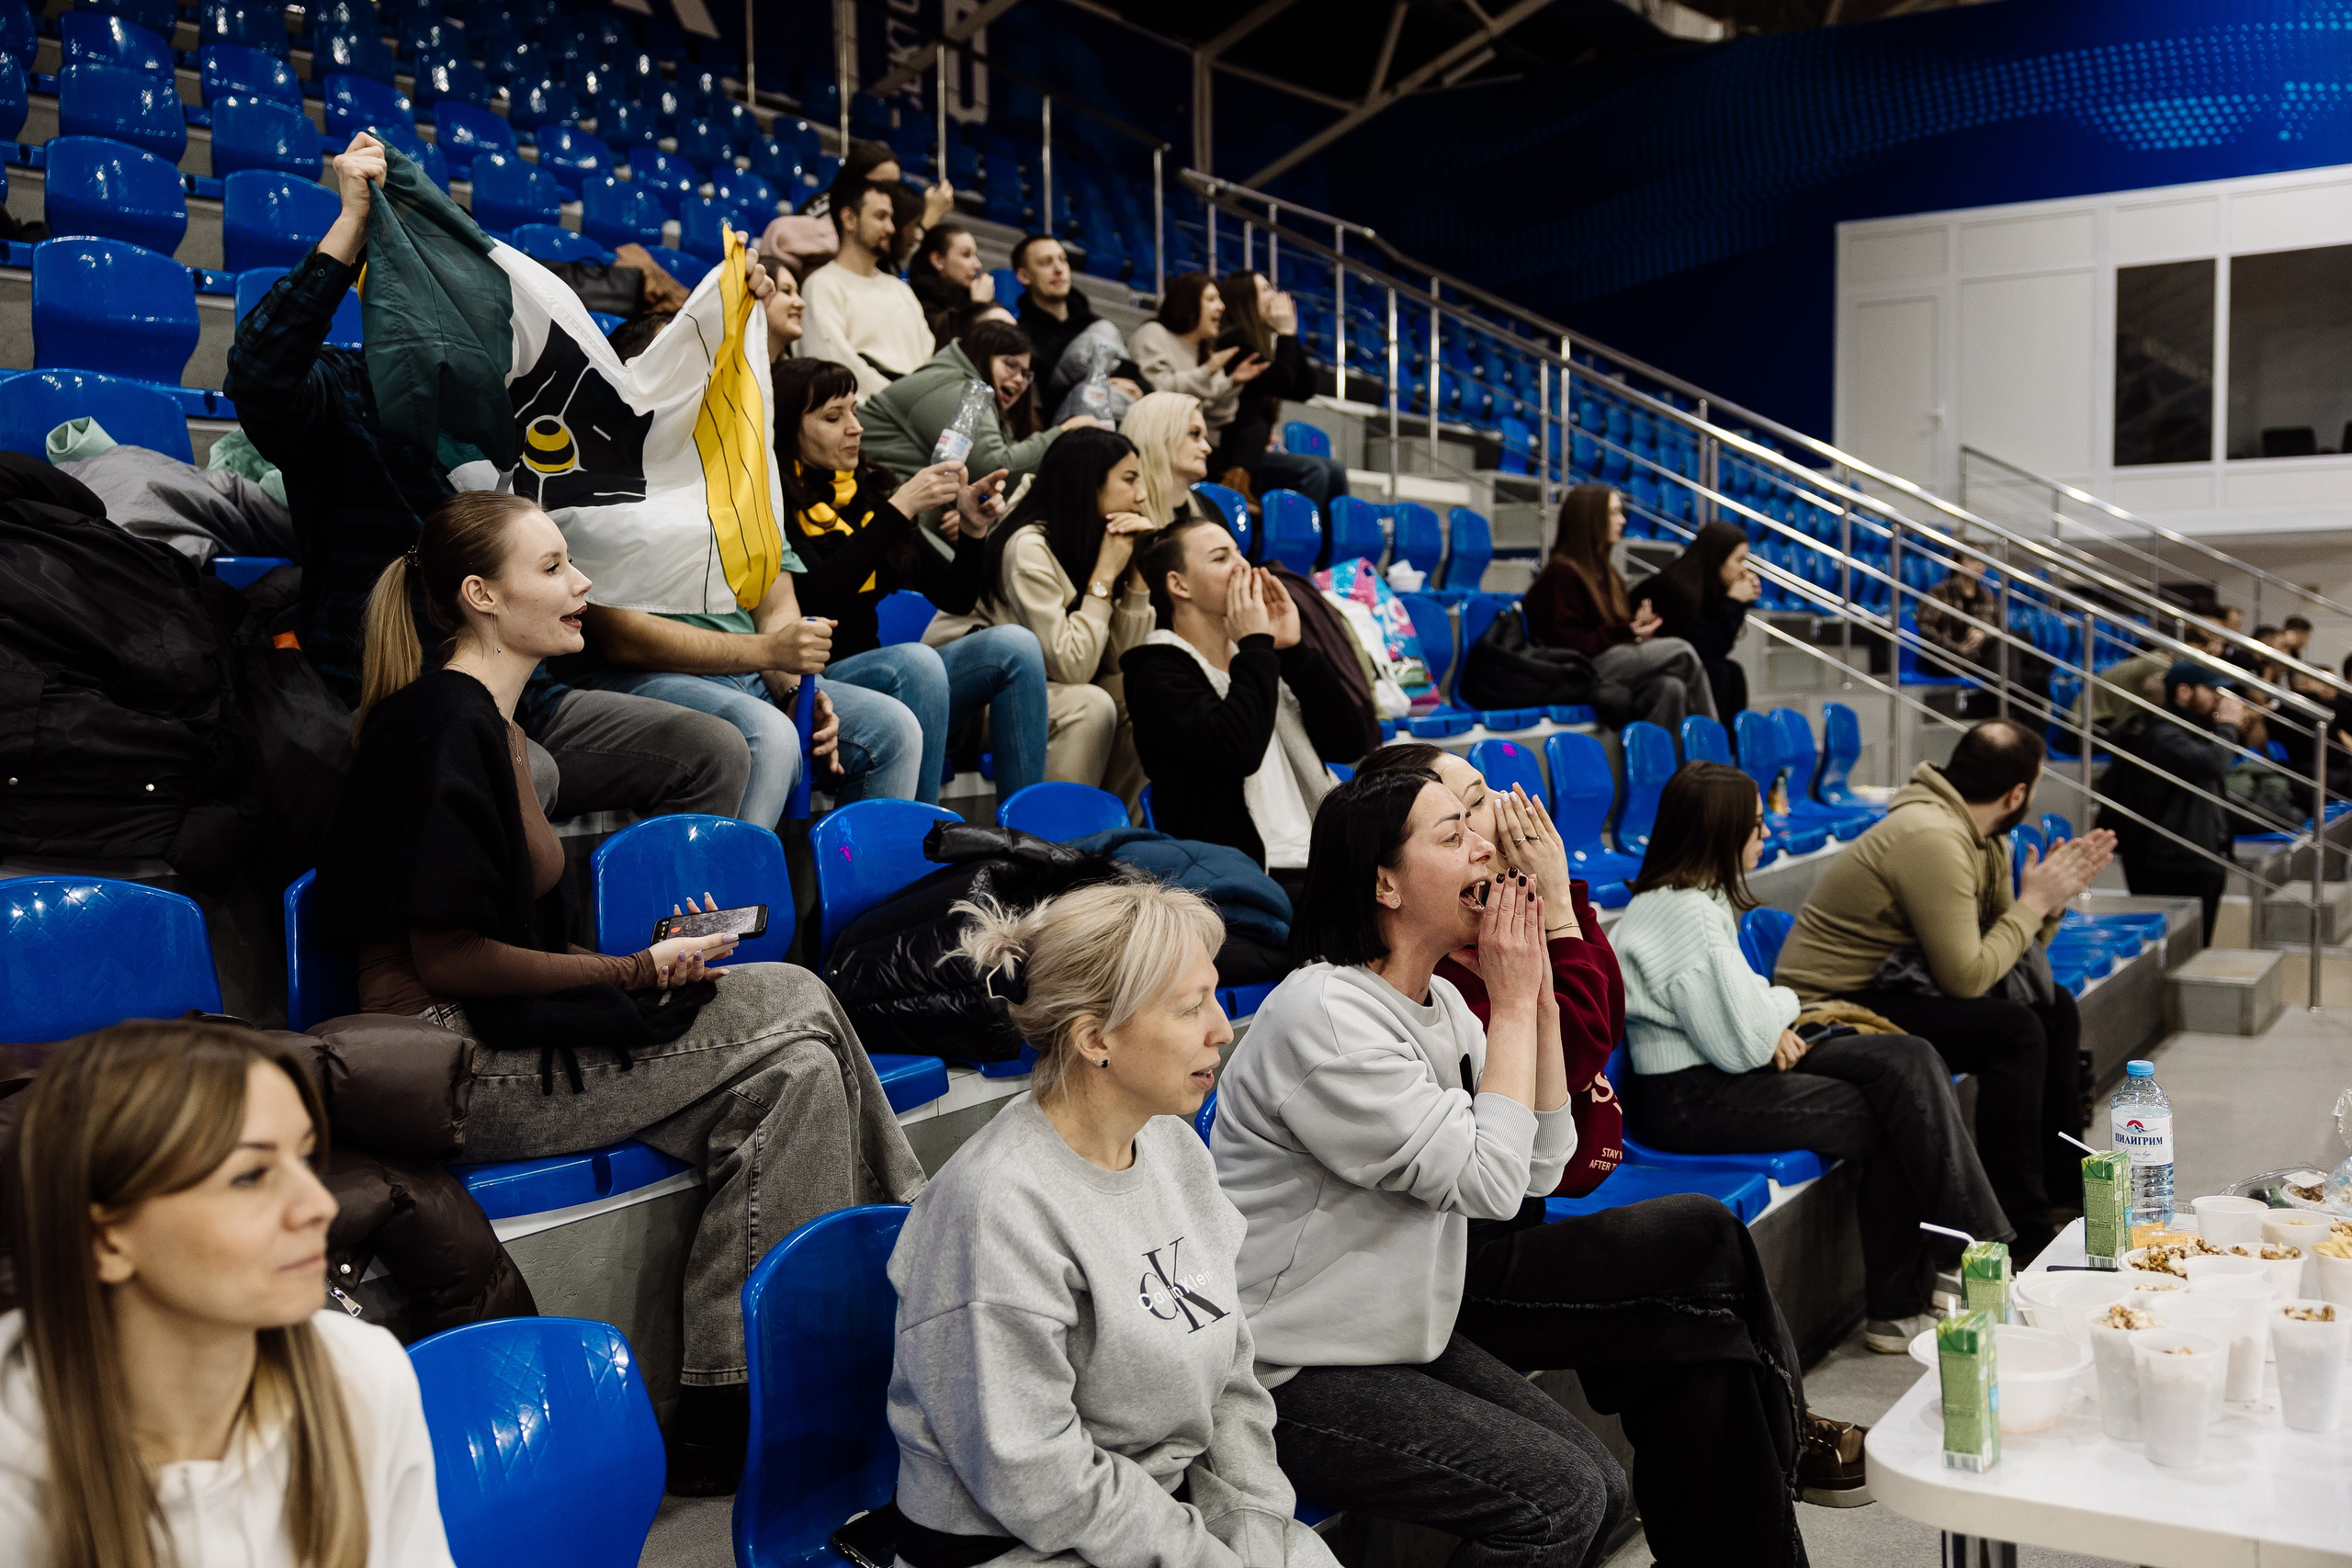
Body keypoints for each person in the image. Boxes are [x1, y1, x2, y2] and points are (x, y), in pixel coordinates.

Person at [316, 491, 925, 1493]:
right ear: (480, 596)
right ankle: (926, 1250)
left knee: (799, 1077)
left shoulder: (500, 729)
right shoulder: (436, 721)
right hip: (449, 1066)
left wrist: (650, 954)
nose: (583, 583)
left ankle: (728, 1415)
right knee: (793, 996)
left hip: (499, 1037)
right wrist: (630, 973)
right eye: (553, 566)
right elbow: (452, 959)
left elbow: (507, 942)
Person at [1216, 769, 1828, 1565]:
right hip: (1288, 1367)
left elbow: (1542, 1163)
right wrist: (1511, 1001)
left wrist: (1534, 987)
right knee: (1559, 1501)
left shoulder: (1439, 1002)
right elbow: (1491, 1183)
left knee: (1601, 1484)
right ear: (1384, 884)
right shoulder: (1325, 1016)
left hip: (1386, 1336)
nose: (1484, 845)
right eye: (1453, 834)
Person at [1349, 743, 1871, 1511]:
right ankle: (1792, 1434)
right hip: (1450, 1265)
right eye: (1461, 816)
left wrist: (1556, 915)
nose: (1495, 823)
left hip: (1513, 1216)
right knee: (1701, 1247)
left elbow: (1566, 1088)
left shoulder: (1476, 951)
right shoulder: (1394, 992)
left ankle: (1777, 1455)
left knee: (1693, 1350)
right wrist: (1550, 931)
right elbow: (1575, 1054)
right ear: (1388, 863)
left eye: (1478, 802)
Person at [225, 130, 752, 826]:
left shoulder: (531, 408)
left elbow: (651, 432)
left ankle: (669, 901)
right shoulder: (343, 391)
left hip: (532, 695)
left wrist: (739, 328)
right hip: (395, 698)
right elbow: (258, 374)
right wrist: (351, 226)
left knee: (716, 750)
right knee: (523, 771)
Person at [882, 879, 1339, 1568]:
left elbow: (1230, 1371)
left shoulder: (1173, 1146)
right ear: (1096, 1038)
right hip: (1020, 1544)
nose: (1222, 1029)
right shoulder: (995, 1207)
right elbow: (1037, 1475)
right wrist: (1203, 1557)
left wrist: (1252, 1517)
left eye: (1215, 997)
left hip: (1157, 1511)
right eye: (1190, 1007)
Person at [0, 1020, 453, 1568]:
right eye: (250, 1176)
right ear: (106, 1239)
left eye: (306, 1159)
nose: (320, 1206)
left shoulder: (364, 1373)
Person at [1614, 762, 2008, 1350]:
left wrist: (1764, 1017)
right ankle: (1949, 1271)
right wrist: (1780, 1008)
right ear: (1720, 831)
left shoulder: (1697, 899)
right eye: (1754, 824)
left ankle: (1960, 1255)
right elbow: (1745, 1039)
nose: (1767, 832)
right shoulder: (1683, 913)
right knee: (1894, 1108)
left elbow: (1743, 1016)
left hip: (1716, 1076)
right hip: (1692, 1098)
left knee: (1908, 1058)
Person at [1773, 719, 2116, 1256]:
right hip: (1833, 1004)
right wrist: (2032, 904)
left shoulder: (1981, 834)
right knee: (2014, 1033)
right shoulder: (1931, 836)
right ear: (2017, 794)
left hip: (1896, 984)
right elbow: (1967, 978)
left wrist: (2048, 904)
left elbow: (2009, 957)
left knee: (2054, 1009)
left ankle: (2062, 1193)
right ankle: (2022, 1229)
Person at [766, 355, 1053, 805]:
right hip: (809, 684)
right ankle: (922, 834)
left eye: (855, 411)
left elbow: (955, 596)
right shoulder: (774, 502)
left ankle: (1024, 831)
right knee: (916, 662)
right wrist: (898, 509)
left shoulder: (866, 491)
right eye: (833, 417)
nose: (856, 428)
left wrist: (973, 531)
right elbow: (816, 600)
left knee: (1016, 644)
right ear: (788, 429)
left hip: (879, 673)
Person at [1122, 517, 1369, 899]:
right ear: (1179, 585)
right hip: (1245, 878)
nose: (1242, 565)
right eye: (1221, 558)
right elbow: (1238, 750)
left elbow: (1349, 743)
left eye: (1240, 552)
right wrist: (1255, 646)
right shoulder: (1156, 671)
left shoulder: (1262, 657)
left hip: (1319, 853)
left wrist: (1294, 652)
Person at [933, 428, 1156, 802]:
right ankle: (1052, 834)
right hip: (967, 698)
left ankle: (1111, 830)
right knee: (1090, 706)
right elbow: (1073, 666)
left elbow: (1121, 660)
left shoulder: (1095, 540)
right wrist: (1103, 578)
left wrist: (1137, 575)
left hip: (1038, 684)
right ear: (1088, 485)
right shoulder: (1028, 547)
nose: (1141, 495)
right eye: (1130, 479)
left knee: (1142, 691)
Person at [1523, 484, 1718, 733]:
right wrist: (1626, 631)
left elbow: (1608, 632)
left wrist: (1635, 629)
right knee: (1682, 651)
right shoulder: (1562, 573)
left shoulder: (1608, 573)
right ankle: (1712, 745)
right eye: (1614, 513)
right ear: (1591, 519)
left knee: (1670, 687)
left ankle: (1660, 758)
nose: (1623, 520)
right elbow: (1568, 642)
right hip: (1580, 667)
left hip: (1607, 658)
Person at [2095, 662, 2249, 943]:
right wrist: (2228, 726)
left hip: (2198, 857)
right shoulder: (2164, 735)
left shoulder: (2191, 730)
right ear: (2184, 692)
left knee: (2199, 947)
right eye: (2212, 690)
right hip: (2172, 862)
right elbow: (2213, 764)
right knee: (2179, 948)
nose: (2219, 698)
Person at [859, 317, 1092, 491]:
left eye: (1025, 374)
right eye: (1011, 365)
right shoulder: (954, 387)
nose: (1020, 380)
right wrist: (1063, 432)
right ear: (981, 356)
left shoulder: (970, 390)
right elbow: (994, 468)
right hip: (875, 500)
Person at [1213, 268, 1347, 506]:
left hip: (1253, 451)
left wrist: (1290, 334)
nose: (1275, 296)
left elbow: (1304, 388)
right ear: (1246, 301)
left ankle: (1327, 532)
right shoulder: (1231, 343)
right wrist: (1284, 334)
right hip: (1232, 453)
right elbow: (1282, 382)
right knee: (1314, 470)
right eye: (1265, 290)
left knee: (1335, 470)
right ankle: (1292, 529)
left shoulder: (1257, 345)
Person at [798, 180, 934, 402]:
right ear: (849, 219)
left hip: (915, 407)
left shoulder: (901, 290)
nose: (891, 228)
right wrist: (901, 403)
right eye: (880, 217)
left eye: (891, 218)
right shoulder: (822, 284)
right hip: (863, 412)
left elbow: (927, 359)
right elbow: (833, 363)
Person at [1129, 273, 1265, 461]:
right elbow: (1157, 391)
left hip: (1198, 443)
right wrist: (1206, 371)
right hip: (1160, 441)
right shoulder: (1154, 333)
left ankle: (1238, 476)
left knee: (1255, 426)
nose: (1221, 306)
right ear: (1188, 305)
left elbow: (1218, 417)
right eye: (1211, 299)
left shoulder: (1206, 352)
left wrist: (1233, 383)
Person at [1633, 519, 1758, 719]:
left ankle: (1728, 738)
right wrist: (1733, 602)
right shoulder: (1678, 588)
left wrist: (1738, 603)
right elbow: (1709, 648)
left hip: (1684, 665)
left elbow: (1717, 647)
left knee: (1732, 671)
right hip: (1652, 667)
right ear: (1717, 560)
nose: (1744, 569)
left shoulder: (1709, 587)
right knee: (1719, 672)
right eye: (1739, 560)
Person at [1010, 233, 1143, 396]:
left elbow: (1139, 380)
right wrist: (1101, 386)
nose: (1059, 269)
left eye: (1063, 260)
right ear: (1024, 276)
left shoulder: (1095, 324)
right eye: (1046, 262)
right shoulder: (1021, 337)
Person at [1121, 389, 1220, 528]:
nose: (1207, 448)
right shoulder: (1126, 509)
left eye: (1205, 438)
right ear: (1158, 436)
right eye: (1194, 434)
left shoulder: (1208, 508)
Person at [907, 220, 994, 344]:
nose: (978, 265)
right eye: (966, 255)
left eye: (975, 255)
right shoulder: (918, 302)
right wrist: (978, 305)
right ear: (938, 260)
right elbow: (946, 344)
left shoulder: (970, 294)